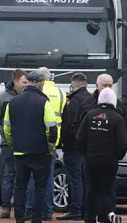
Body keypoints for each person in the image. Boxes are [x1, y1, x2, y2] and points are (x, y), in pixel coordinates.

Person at [3, 70, 58, 223]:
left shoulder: (13, 102)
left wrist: (13, 144)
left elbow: (7, 128)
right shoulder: (44, 102)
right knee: (40, 186)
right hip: (40, 152)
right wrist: (50, 148)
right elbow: (52, 129)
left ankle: (19, 217)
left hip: (20, 152)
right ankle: (37, 218)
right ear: (40, 83)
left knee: (20, 186)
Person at [78, 88, 127, 223]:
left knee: (91, 190)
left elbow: (80, 138)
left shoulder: (90, 115)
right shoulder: (117, 118)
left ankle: (89, 218)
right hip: (109, 160)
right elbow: (123, 143)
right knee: (105, 191)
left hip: (92, 158)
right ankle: (103, 218)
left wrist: (86, 153)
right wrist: (117, 156)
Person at [25, 67, 64, 220]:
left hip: (35, 140)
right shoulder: (60, 93)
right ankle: (47, 211)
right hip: (53, 141)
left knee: (32, 178)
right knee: (48, 178)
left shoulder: (36, 94)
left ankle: (30, 209)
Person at [0, 69, 27, 219]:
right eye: (24, 82)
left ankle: (19, 207)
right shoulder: (2, 96)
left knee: (21, 176)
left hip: (24, 142)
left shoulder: (26, 96)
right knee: (9, 175)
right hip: (8, 143)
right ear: (16, 81)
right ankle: (6, 207)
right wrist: (5, 133)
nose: (26, 85)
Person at [56, 73, 92, 221]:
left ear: (72, 85)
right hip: (88, 147)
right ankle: (84, 210)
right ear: (86, 83)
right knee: (85, 180)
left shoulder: (75, 101)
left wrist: (63, 141)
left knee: (75, 180)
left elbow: (69, 124)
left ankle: (75, 210)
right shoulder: (92, 99)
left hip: (73, 146)